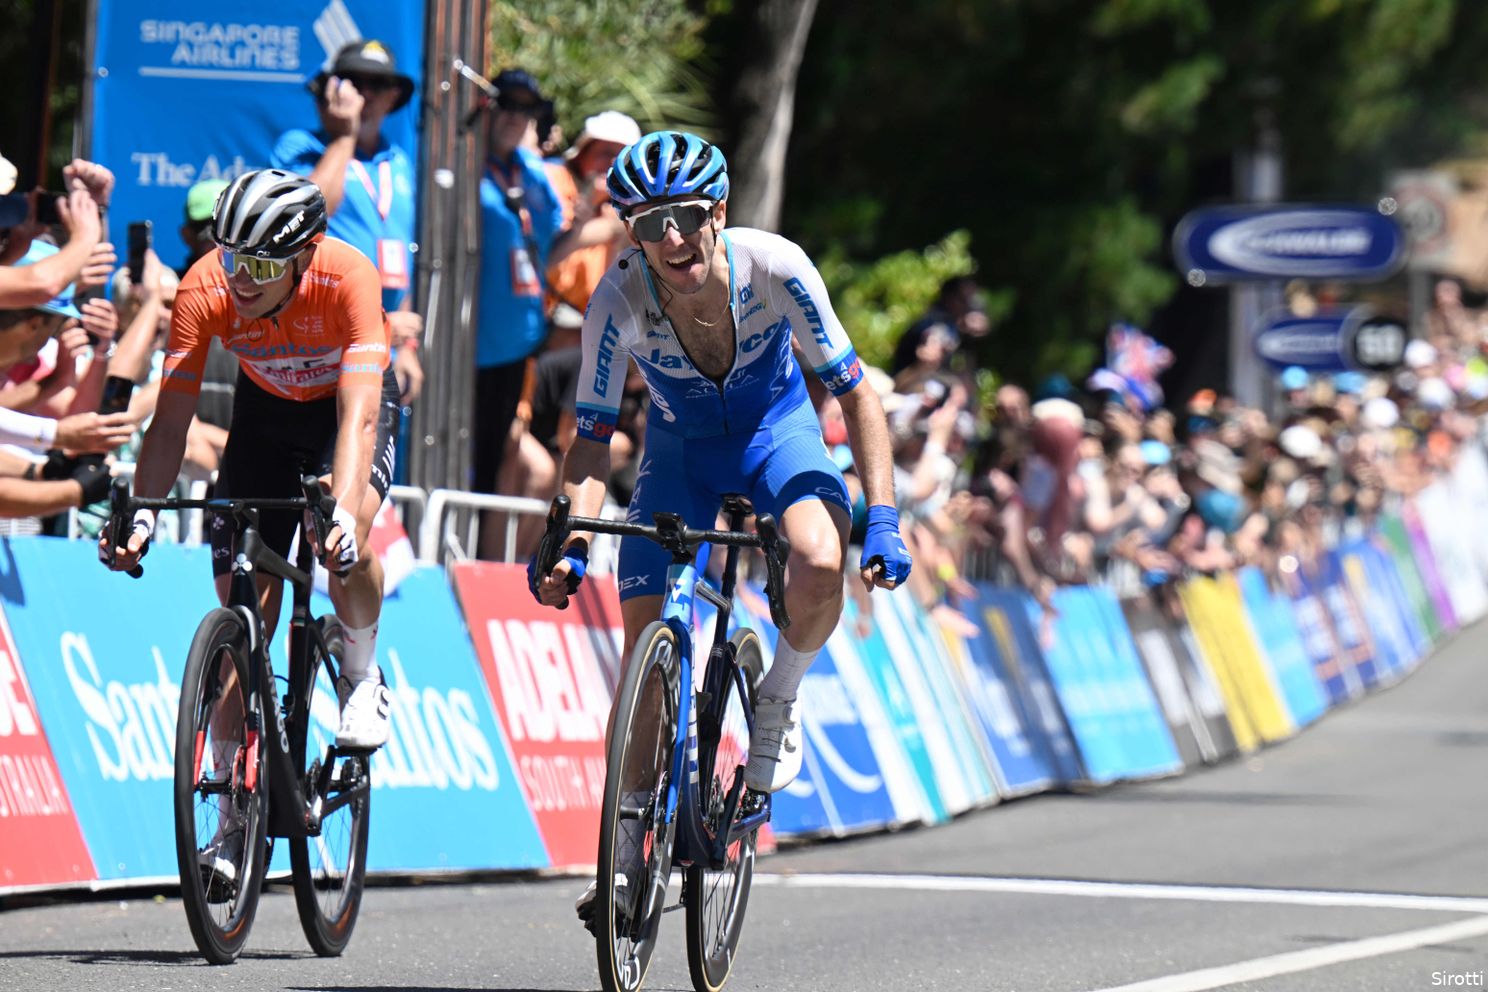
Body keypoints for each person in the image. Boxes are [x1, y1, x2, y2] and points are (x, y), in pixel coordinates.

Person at [525, 132, 911, 921]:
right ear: (629, 232)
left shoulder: (775, 266)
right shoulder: (619, 299)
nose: (671, 239)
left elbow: (857, 395)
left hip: (778, 435)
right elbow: (591, 440)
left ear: (719, 213)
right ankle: (628, 853)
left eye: (688, 217)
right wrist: (571, 539)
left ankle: (777, 701)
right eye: (649, 223)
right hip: (681, 457)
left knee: (815, 556)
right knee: (645, 647)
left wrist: (886, 516)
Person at [99, 170, 400, 763]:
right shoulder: (203, 288)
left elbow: (360, 418)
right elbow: (170, 421)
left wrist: (339, 511)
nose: (240, 278)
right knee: (244, 610)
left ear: (303, 257)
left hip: (344, 409)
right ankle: (233, 816)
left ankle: (362, 673)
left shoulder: (347, 277)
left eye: (261, 266)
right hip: (263, 418)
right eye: (232, 256)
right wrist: (143, 518)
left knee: (344, 538)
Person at [272, 39, 423, 409]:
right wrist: (344, 136)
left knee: (365, 461)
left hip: (379, 341)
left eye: (380, 85)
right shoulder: (299, 146)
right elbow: (304, 217)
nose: (367, 94)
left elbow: (402, 258)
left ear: (394, 97)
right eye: (355, 81)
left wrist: (406, 346)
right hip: (317, 340)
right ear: (331, 89)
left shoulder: (400, 163)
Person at [473, 68, 563, 553]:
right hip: (474, 346)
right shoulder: (469, 167)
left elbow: (553, 228)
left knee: (505, 462)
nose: (514, 117)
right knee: (483, 457)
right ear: (487, 107)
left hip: (520, 346)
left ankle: (488, 568)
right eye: (506, 104)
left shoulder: (529, 173)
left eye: (525, 109)